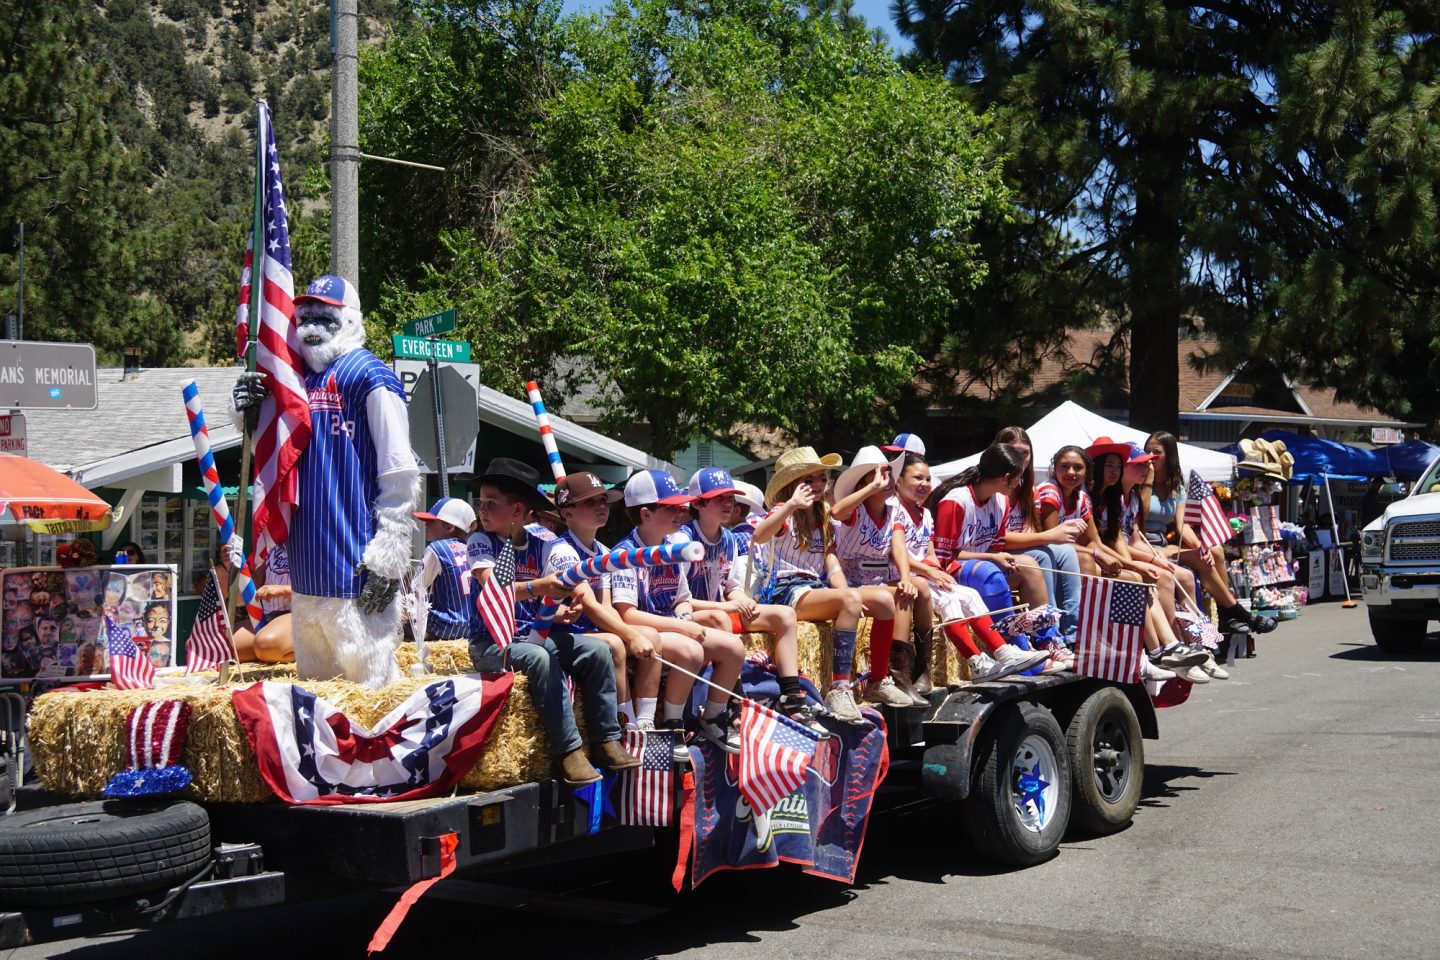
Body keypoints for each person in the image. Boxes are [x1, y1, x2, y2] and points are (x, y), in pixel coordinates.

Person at [231, 274, 421, 690]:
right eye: (306, 317)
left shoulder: (369, 375)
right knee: (317, 691)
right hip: (306, 570)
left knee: (370, 688)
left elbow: (399, 471)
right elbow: (266, 447)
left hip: (354, 565)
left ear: (350, 320)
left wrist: (387, 559)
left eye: (326, 318)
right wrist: (244, 406)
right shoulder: (291, 380)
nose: (312, 328)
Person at [466, 458, 638, 786]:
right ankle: (568, 751)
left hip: (533, 634)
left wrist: (561, 608)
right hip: (491, 642)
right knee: (540, 658)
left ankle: (606, 739)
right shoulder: (480, 542)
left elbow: (557, 588)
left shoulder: (544, 544)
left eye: (491, 503)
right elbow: (496, 590)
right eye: (481, 503)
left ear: (517, 511)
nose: (482, 510)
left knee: (598, 651)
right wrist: (541, 587)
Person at [750, 446, 895, 723]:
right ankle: (840, 688)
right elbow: (758, 536)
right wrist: (791, 505)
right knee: (850, 599)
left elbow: (832, 564)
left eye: (822, 478)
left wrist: (846, 595)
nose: (818, 485)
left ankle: (878, 679)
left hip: (814, 588)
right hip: (785, 591)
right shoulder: (784, 511)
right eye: (809, 480)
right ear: (792, 485)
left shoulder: (823, 517)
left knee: (885, 601)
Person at [611, 470, 746, 752]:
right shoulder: (625, 553)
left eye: (681, 506)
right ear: (646, 514)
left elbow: (682, 599)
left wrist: (684, 617)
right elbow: (626, 614)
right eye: (671, 507)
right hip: (643, 631)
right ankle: (673, 724)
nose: (681, 512)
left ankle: (713, 716)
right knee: (691, 650)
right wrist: (683, 627)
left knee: (734, 647)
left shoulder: (673, 547)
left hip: (671, 625)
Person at [681, 467, 820, 725]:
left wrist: (740, 598)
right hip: (690, 616)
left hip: (720, 610)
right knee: (718, 618)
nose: (729, 503)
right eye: (719, 498)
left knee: (785, 615)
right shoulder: (682, 539)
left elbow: (730, 585)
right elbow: (680, 602)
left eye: (730, 497)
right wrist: (730, 604)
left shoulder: (729, 539)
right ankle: (733, 699)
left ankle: (791, 694)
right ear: (698, 503)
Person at [544, 471, 674, 734]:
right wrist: (629, 636)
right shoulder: (561, 550)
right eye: (590, 502)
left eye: (603, 499)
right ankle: (625, 722)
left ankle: (647, 720)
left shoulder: (603, 551)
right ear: (567, 514)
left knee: (650, 635)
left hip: (588, 631)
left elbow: (605, 605)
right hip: (560, 634)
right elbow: (589, 604)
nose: (602, 506)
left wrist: (636, 634)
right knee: (616, 643)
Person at [928, 443, 1056, 675]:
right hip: (953, 570)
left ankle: (1047, 642)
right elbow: (943, 557)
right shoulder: (956, 501)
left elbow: (996, 545)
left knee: (1029, 565)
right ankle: (1015, 649)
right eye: (1017, 478)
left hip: (982, 564)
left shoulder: (1001, 501)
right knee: (990, 574)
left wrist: (998, 557)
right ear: (1006, 478)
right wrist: (992, 557)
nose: (1019, 483)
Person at [1088, 438, 1209, 680]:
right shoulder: (1092, 497)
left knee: (1179, 574)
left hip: (1113, 555)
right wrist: (1136, 563)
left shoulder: (1118, 498)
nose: (1146, 469)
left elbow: (1122, 539)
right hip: (1093, 560)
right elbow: (1098, 542)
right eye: (1140, 465)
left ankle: (1189, 643)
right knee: (1148, 578)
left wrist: (1147, 561)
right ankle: (1163, 649)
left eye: (1117, 466)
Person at [1144, 430, 1273, 637]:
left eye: (1156, 451)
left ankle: (1225, 615)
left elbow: (1182, 526)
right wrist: (1148, 480)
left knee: (1215, 551)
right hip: (1142, 542)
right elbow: (1137, 518)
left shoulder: (1176, 487)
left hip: (1161, 543)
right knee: (1203, 558)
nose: (1151, 455)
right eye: (1147, 450)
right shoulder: (1141, 483)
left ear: (1169, 455)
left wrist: (1200, 546)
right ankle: (1239, 613)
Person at [829, 447, 922, 707]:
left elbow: (899, 546)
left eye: (889, 474)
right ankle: (887, 677)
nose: (887, 480)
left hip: (881, 577)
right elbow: (836, 512)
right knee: (893, 597)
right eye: (878, 475)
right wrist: (871, 489)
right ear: (862, 483)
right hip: (852, 581)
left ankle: (903, 673)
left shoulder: (894, 511)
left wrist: (906, 577)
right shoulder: (855, 510)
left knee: (914, 589)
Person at [992, 425, 1083, 650]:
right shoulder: (994, 487)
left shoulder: (1026, 488)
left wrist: (1048, 537)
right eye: (1013, 451)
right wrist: (1050, 535)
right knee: (1041, 555)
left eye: (1025, 453)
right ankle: (1050, 636)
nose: (1020, 458)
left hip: (1016, 550)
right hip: (992, 554)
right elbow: (995, 539)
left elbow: (1028, 532)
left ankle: (1073, 633)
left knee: (1067, 551)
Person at [414, 497, 481, 643]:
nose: (425, 524)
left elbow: (416, 589)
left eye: (431, 521)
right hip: (472, 627)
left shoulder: (436, 548)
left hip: (443, 628)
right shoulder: (472, 548)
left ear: (449, 528)